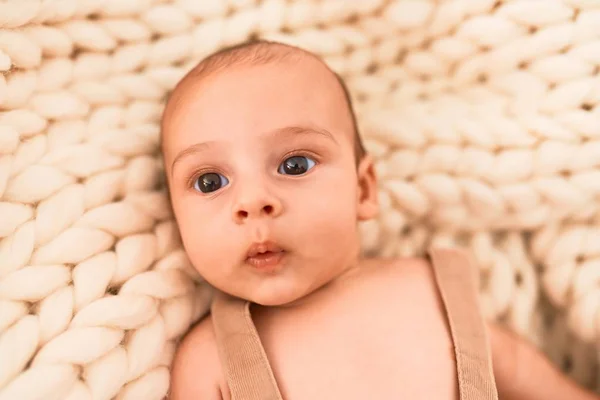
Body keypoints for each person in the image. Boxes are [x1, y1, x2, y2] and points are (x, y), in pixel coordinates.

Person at [160, 40, 599, 399]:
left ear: (363, 190)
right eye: (210, 181)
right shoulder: (211, 359)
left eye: (294, 165)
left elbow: (520, 370)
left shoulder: (426, 288)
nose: (253, 202)